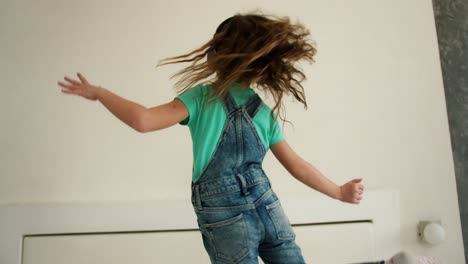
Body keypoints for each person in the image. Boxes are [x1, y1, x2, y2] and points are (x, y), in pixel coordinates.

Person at [58, 12, 364, 264]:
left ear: (218, 55)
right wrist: (338, 191)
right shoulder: (263, 112)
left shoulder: (202, 99)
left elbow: (143, 120)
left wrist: (100, 93)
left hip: (226, 218)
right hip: (269, 208)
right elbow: (298, 166)